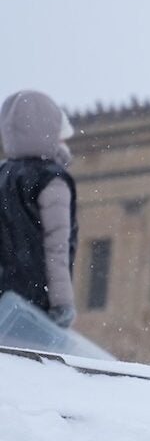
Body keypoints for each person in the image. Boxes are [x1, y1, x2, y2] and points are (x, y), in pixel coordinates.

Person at [0, 90, 77, 329]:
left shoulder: (3, 175)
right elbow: (56, 246)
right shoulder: (51, 180)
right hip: (35, 299)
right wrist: (62, 304)